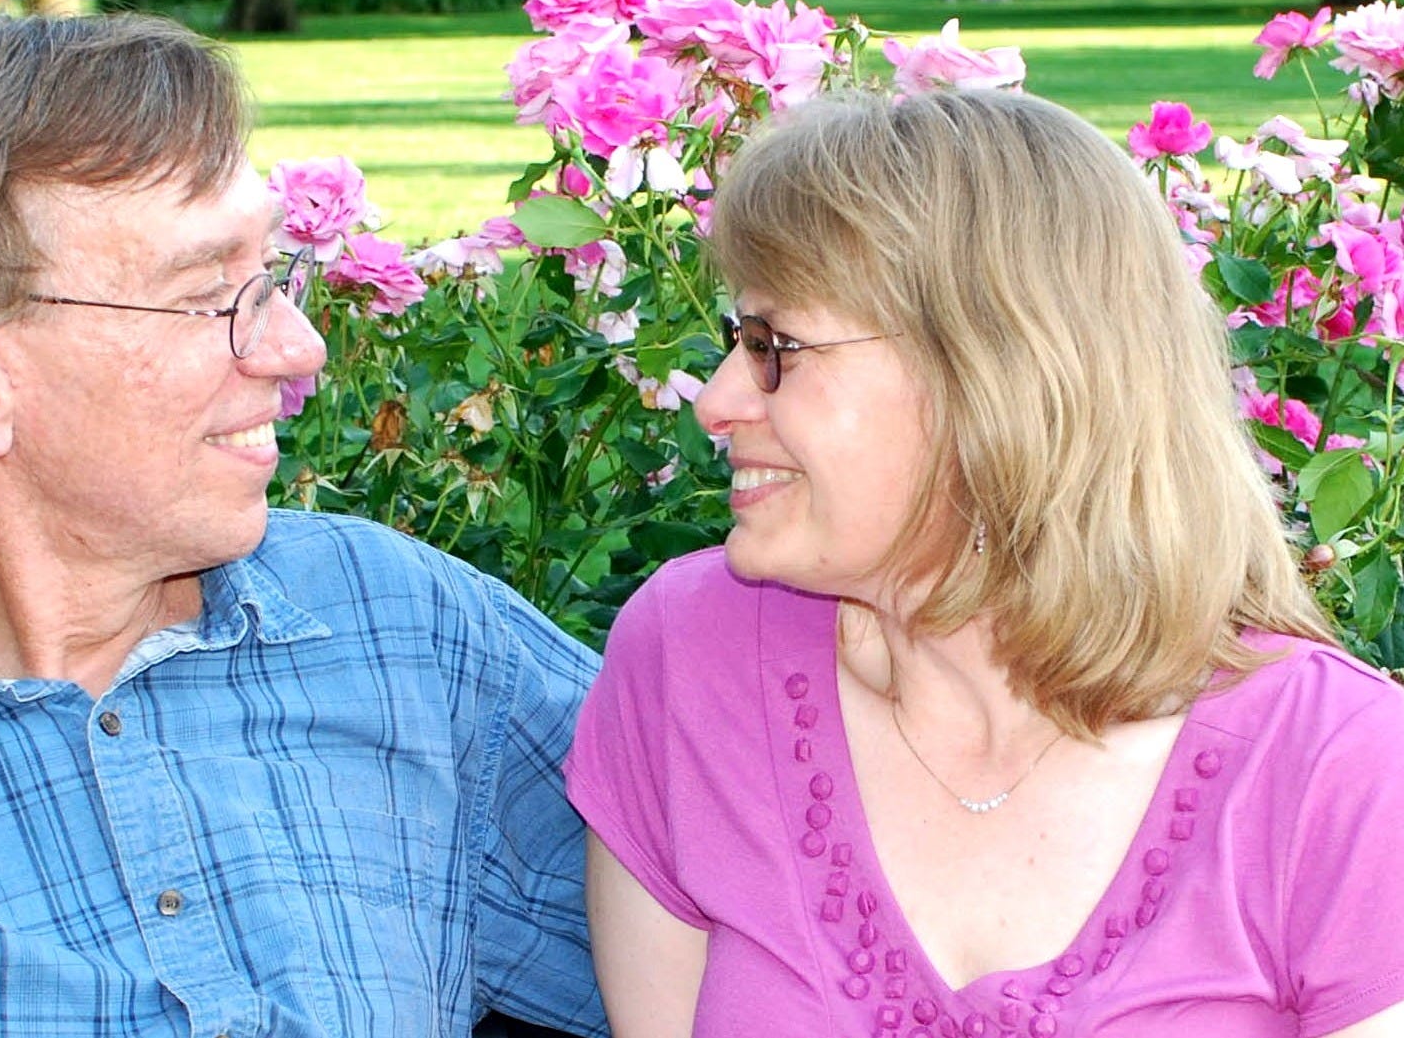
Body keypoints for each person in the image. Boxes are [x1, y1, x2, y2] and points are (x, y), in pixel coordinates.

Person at [0, 14, 605, 1037]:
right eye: (207, 296)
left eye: (270, 277)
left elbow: (719, 921)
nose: (298, 347)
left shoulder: (400, 632)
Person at [564, 89, 1404, 1037]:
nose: (716, 402)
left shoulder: (1340, 773)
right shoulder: (693, 660)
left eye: (773, 346)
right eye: (737, 340)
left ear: (990, 376)